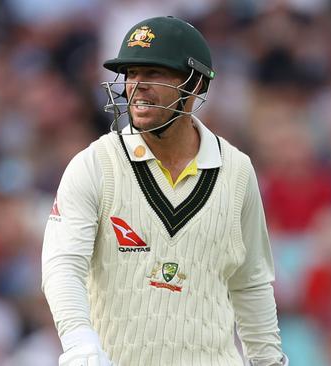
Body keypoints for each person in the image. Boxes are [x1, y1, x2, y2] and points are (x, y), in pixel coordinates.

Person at [41, 16, 288, 366]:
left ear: (195, 83)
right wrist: (80, 343)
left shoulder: (237, 172)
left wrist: (269, 361)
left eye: (154, 73)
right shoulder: (94, 165)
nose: (136, 86)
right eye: (131, 73)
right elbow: (62, 266)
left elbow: (251, 285)